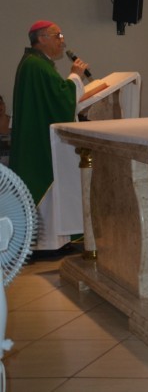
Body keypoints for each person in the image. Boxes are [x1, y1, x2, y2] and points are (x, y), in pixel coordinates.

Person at [10, 21, 88, 247]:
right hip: (41, 143)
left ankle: (52, 242)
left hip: (38, 136)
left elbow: (54, 97)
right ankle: (48, 244)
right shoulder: (36, 65)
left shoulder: (36, 63)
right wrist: (75, 76)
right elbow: (60, 99)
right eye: (57, 35)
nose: (62, 41)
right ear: (42, 38)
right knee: (49, 186)